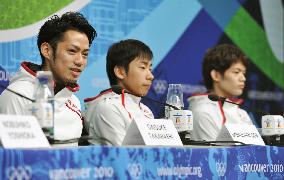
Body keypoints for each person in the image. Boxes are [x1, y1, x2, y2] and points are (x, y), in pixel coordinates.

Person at [0, 12, 97, 146]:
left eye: (85, 54)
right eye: (72, 51)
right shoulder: (17, 95)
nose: (80, 61)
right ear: (47, 50)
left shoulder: (74, 102)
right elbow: (17, 161)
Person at [84, 39, 154, 146]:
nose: (151, 76)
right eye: (143, 67)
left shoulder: (146, 110)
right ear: (120, 72)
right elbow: (122, 157)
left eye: (150, 68)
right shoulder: (108, 107)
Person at [188, 44, 253, 141]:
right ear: (216, 75)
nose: (243, 78)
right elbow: (214, 155)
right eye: (236, 72)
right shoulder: (202, 111)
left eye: (243, 73)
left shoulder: (242, 113)